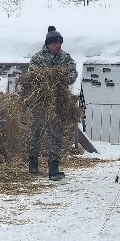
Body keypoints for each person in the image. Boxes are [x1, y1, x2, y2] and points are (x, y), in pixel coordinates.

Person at [23, 26, 77, 180]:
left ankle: (54, 168)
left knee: (56, 133)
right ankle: (33, 163)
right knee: (35, 132)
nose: (58, 46)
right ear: (48, 44)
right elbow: (33, 76)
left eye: (60, 43)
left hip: (58, 100)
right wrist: (49, 78)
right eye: (55, 43)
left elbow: (73, 72)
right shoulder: (37, 58)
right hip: (40, 101)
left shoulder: (65, 57)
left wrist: (65, 78)